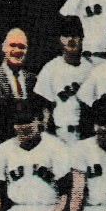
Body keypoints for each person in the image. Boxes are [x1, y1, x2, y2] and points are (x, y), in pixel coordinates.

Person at [0, 27, 50, 169]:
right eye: (12, 45)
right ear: (3, 47)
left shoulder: (34, 80)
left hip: (30, 155)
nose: (17, 50)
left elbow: (43, 114)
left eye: (22, 47)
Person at [34, 15, 94, 146]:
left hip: (87, 135)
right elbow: (43, 107)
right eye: (66, 35)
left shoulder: (91, 69)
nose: (71, 39)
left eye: (75, 35)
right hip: (59, 134)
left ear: (82, 38)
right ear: (60, 39)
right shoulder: (51, 68)